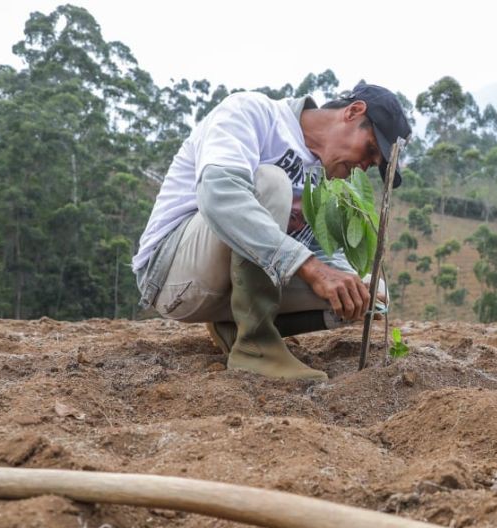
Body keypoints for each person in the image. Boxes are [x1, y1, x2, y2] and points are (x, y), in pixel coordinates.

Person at [132, 83, 412, 381]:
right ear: (353, 112)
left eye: (373, 165)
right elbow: (219, 194)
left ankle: (235, 327)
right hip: (173, 275)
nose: (364, 166)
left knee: (365, 291)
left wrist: (354, 288)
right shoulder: (252, 112)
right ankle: (256, 347)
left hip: (223, 291)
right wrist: (313, 269)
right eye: (370, 150)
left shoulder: (321, 174)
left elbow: (314, 250)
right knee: (270, 182)